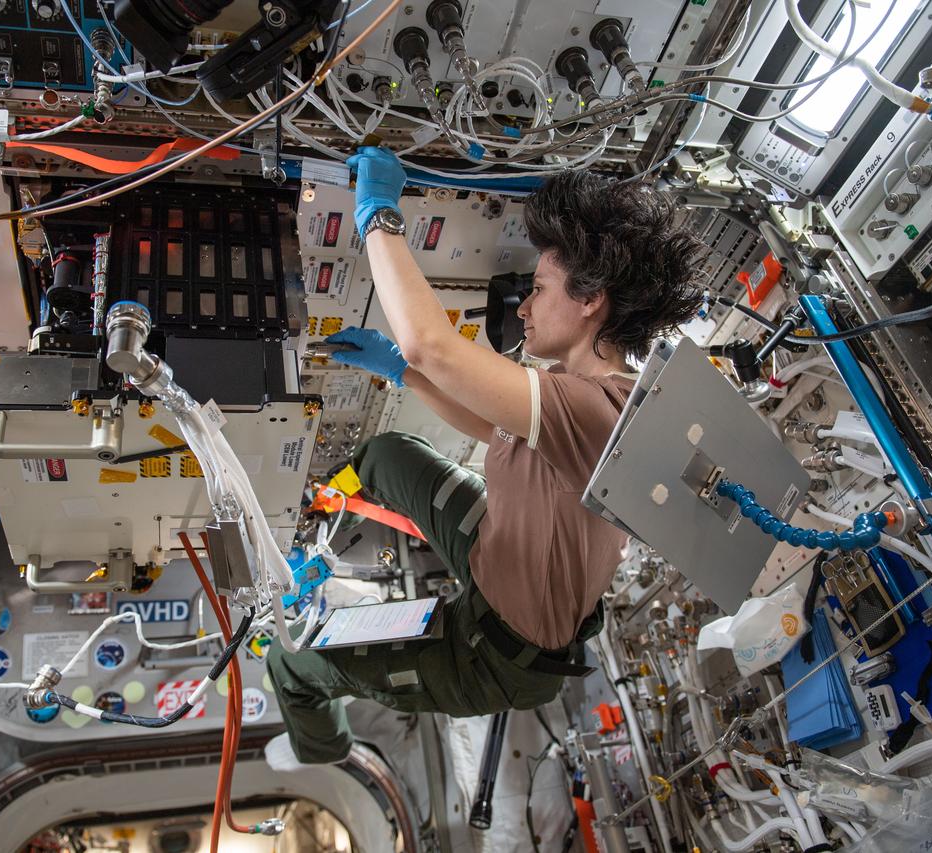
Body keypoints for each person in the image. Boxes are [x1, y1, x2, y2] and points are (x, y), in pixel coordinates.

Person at [265, 148, 706, 770]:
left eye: (539, 289)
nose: (523, 306)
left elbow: (433, 345)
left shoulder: (599, 407)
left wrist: (378, 216)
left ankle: (325, 748)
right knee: (388, 454)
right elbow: (488, 423)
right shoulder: (578, 397)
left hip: (495, 652)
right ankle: (324, 512)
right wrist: (402, 373)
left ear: (590, 301)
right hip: (495, 553)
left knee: (290, 663)